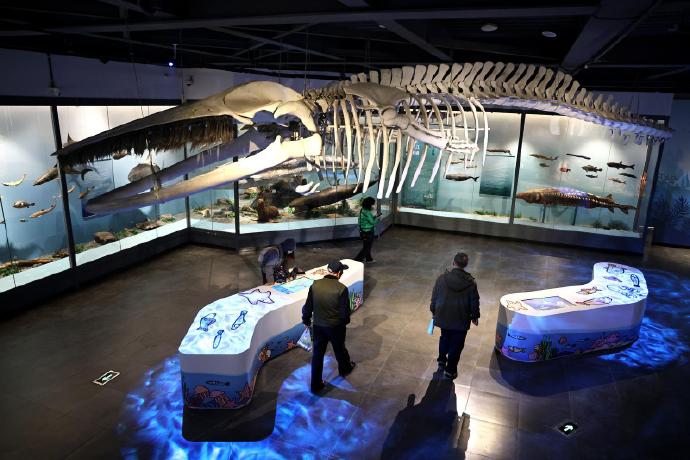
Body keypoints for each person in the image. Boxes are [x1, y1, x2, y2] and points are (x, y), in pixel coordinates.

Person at [302, 260, 356, 393]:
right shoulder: (341, 288)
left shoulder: (315, 285)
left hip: (318, 326)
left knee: (317, 355)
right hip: (335, 327)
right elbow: (344, 314)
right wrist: (344, 323)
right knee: (339, 349)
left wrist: (306, 319)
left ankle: (316, 385)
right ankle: (345, 369)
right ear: (339, 273)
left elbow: (308, 307)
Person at [430, 252, 480, 380]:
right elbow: (474, 301)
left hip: (444, 316)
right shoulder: (471, 283)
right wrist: (475, 316)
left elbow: (435, 296)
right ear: (466, 265)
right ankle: (450, 371)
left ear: (453, 263)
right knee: (456, 345)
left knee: (444, 338)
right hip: (461, 320)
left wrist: (433, 310)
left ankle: (442, 360)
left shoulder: (442, 278)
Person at [355, 196, 378, 263]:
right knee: (367, 247)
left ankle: (369, 259)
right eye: (372, 204)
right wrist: (376, 218)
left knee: (366, 246)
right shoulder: (367, 212)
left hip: (363, 231)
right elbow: (372, 222)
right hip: (369, 231)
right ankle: (357, 259)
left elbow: (360, 220)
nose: (373, 205)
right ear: (369, 204)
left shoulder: (362, 210)